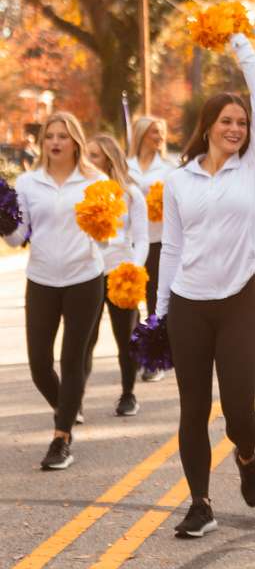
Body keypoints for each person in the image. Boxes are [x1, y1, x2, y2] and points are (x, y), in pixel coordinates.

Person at [158, 32, 255, 539]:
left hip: (239, 303)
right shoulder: (178, 180)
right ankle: (200, 503)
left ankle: (246, 456)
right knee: (192, 409)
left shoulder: (254, 170)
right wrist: (159, 311)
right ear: (207, 126)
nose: (236, 128)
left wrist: (241, 46)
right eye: (226, 121)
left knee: (239, 411)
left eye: (242, 123)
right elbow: (172, 248)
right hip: (188, 305)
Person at [4, 112, 105, 470]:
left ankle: (61, 438)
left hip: (85, 279)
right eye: (50, 136)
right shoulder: (30, 184)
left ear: (76, 141)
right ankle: (68, 405)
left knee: (72, 359)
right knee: (39, 365)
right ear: (43, 142)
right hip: (42, 278)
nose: (56, 142)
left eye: (63, 135)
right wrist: (4, 224)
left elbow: (111, 232)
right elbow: (19, 237)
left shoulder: (96, 181)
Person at [84, 134, 148, 416]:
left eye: (94, 155)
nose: (87, 160)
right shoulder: (84, 191)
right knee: (86, 338)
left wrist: (133, 267)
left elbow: (142, 238)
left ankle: (128, 394)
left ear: (109, 159)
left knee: (126, 338)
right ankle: (76, 401)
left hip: (121, 273)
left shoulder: (132, 193)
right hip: (89, 272)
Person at [127, 115, 176, 382]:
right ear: (141, 134)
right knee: (129, 302)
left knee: (154, 299)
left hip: (158, 241)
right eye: (154, 132)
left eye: (162, 132)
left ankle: (155, 360)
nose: (159, 137)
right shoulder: (125, 166)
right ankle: (135, 353)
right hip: (131, 243)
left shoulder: (169, 168)